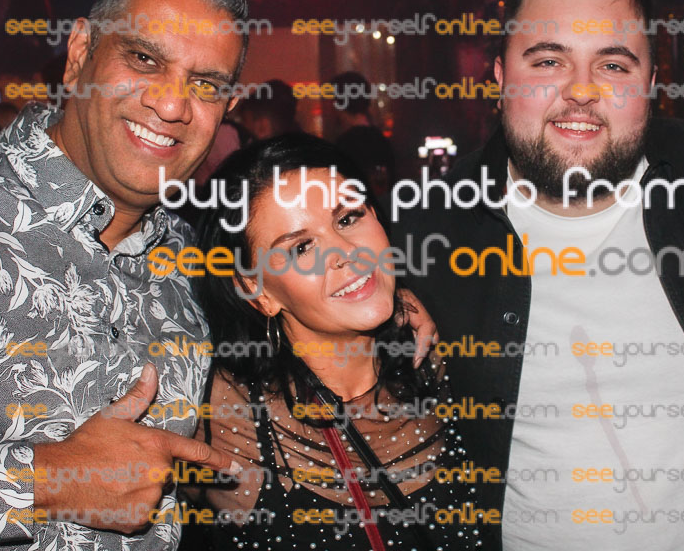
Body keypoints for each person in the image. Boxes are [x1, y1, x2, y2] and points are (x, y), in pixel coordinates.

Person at [394, 0, 684, 551]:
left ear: (651, 82)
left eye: (613, 65)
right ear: (500, 76)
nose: (581, 89)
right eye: (548, 61)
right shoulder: (425, 235)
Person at [0, 0, 248, 549]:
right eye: (144, 59)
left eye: (205, 84)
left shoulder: (195, 266)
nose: (171, 104)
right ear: (79, 53)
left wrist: (385, 308)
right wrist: (46, 482)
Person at [184, 134, 481, 550]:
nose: (345, 252)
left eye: (347, 219)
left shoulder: (449, 355)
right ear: (257, 290)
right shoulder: (220, 415)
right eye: (301, 247)